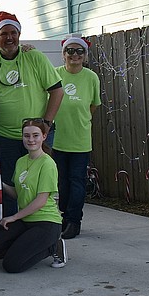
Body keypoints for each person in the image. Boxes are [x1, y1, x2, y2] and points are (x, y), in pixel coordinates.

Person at [0, 11, 63, 223]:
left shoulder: (35, 57)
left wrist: (46, 123)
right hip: (4, 136)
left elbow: (57, 91)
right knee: (9, 185)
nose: (9, 38)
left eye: (14, 32)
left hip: (37, 135)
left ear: (20, 34)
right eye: (4, 34)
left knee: (41, 183)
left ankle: (45, 226)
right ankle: (10, 228)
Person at [0, 118, 67, 272]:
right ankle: (24, 245)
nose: (31, 140)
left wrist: (13, 217)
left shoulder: (47, 164)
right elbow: (18, 194)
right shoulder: (21, 161)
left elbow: (41, 201)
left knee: (11, 266)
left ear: (44, 137)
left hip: (45, 222)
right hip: (25, 221)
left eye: (35, 135)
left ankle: (53, 246)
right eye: (26, 136)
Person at [53, 37, 100, 239]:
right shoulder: (54, 74)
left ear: (85, 56)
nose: (75, 55)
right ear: (63, 54)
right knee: (61, 182)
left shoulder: (91, 77)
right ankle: (63, 216)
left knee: (77, 181)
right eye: (70, 51)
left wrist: (80, 119)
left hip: (80, 140)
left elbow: (94, 105)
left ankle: (74, 221)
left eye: (79, 51)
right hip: (56, 139)